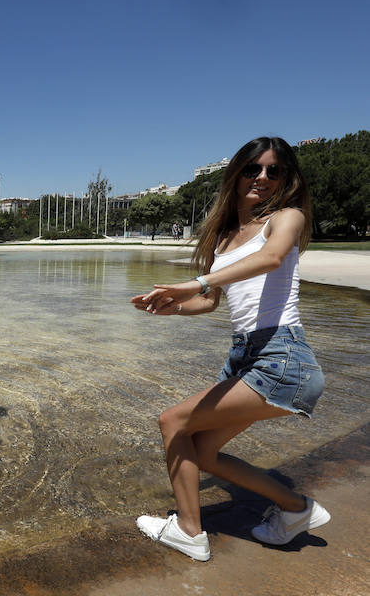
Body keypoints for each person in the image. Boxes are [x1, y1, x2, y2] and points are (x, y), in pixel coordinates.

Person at [130, 136, 329, 562]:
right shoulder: (224, 236)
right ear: (235, 173)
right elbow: (211, 302)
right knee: (202, 452)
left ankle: (188, 530)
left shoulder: (287, 218)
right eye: (253, 169)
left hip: (282, 356)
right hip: (245, 357)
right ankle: (297, 509)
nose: (262, 178)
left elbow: (273, 259)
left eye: (273, 171)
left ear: (286, 178)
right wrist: (175, 309)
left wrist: (196, 282)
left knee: (172, 422)